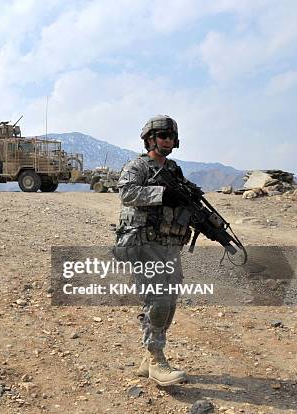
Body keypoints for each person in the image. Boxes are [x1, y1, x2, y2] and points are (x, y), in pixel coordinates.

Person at [115, 115, 190, 386]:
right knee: (157, 302)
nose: (167, 140)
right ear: (150, 139)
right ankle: (157, 360)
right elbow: (126, 193)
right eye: (162, 136)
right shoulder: (138, 166)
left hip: (169, 246)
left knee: (169, 304)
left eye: (170, 136)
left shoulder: (175, 170)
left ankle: (148, 359)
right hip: (144, 244)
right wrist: (161, 194)